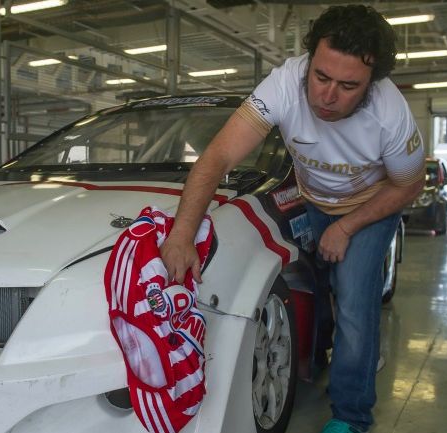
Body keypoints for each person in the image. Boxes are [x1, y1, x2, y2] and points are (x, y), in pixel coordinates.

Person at [160, 5, 425, 433]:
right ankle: (322, 356)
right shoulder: (285, 82)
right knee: (318, 284)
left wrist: (347, 226)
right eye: (321, 77)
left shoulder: (390, 116)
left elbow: (408, 185)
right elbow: (218, 156)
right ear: (309, 62)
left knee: (354, 301)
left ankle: (351, 416)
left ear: (371, 85)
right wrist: (183, 232)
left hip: (371, 207)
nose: (327, 95)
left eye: (348, 86)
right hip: (314, 200)